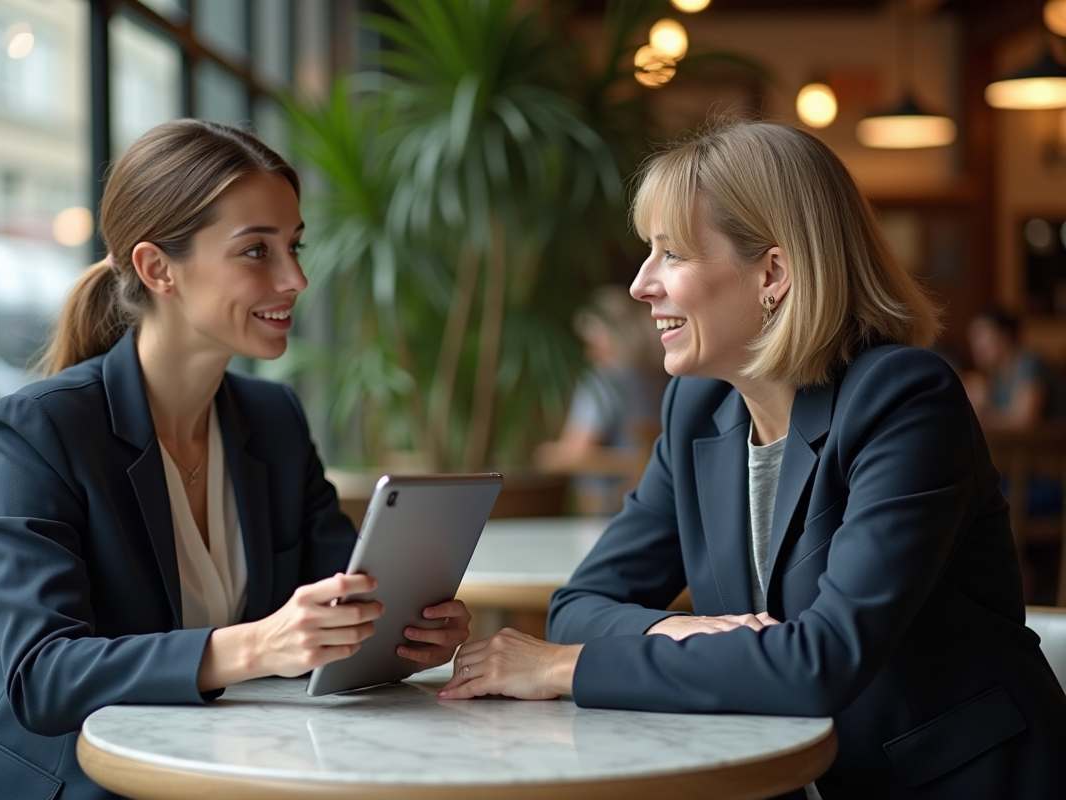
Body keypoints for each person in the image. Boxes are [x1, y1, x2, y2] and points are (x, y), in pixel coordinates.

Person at [437, 119, 1066, 799]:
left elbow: (821, 662)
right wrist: (680, 627)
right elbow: (581, 603)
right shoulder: (697, 410)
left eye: (671, 254)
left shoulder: (903, 399)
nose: (641, 285)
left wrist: (565, 669)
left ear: (772, 273)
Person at [0, 120, 471, 800]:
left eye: (294, 247)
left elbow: (340, 592)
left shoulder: (273, 421)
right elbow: (45, 676)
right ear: (158, 269)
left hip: (224, 768)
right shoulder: (40, 428)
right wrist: (257, 646)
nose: (296, 278)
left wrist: (405, 627)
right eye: (256, 252)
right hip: (67, 785)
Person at [533, 285, 668, 513]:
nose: (587, 353)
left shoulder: (601, 379)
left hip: (605, 512)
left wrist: (549, 455)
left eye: (591, 342)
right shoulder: (660, 379)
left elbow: (575, 454)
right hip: (655, 505)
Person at [962, 308, 1066, 429]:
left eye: (980, 335)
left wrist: (983, 414)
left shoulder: (1030, 363)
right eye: (972, 338)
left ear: (1006, 336)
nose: (976, 345)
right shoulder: (997, 375)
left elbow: (1024, 420)